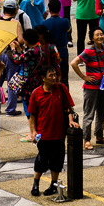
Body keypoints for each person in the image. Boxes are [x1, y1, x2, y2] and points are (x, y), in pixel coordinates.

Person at [28, 65, 79, 197]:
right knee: (41, 160)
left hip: (59, 133)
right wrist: (33, 131)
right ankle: (35, 185)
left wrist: (70, 120)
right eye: (50, 75)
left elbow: (69, 107)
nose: (54, 78)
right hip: (43, 134)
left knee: (57, 161)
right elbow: (32, 115)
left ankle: (53, 185)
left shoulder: (61, 89)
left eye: (55, 75)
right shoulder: (36, 93)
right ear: (43, 78)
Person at [71, 27, 104, 148]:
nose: (100, 36)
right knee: (89, 114)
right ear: (92, 38)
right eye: (97, 35)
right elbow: (73, 63)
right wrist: (84, 77)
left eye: (101, 34)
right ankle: (87, 139)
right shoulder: (89, 51)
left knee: (102, 113)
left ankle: (99, 136)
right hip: (91, 88)